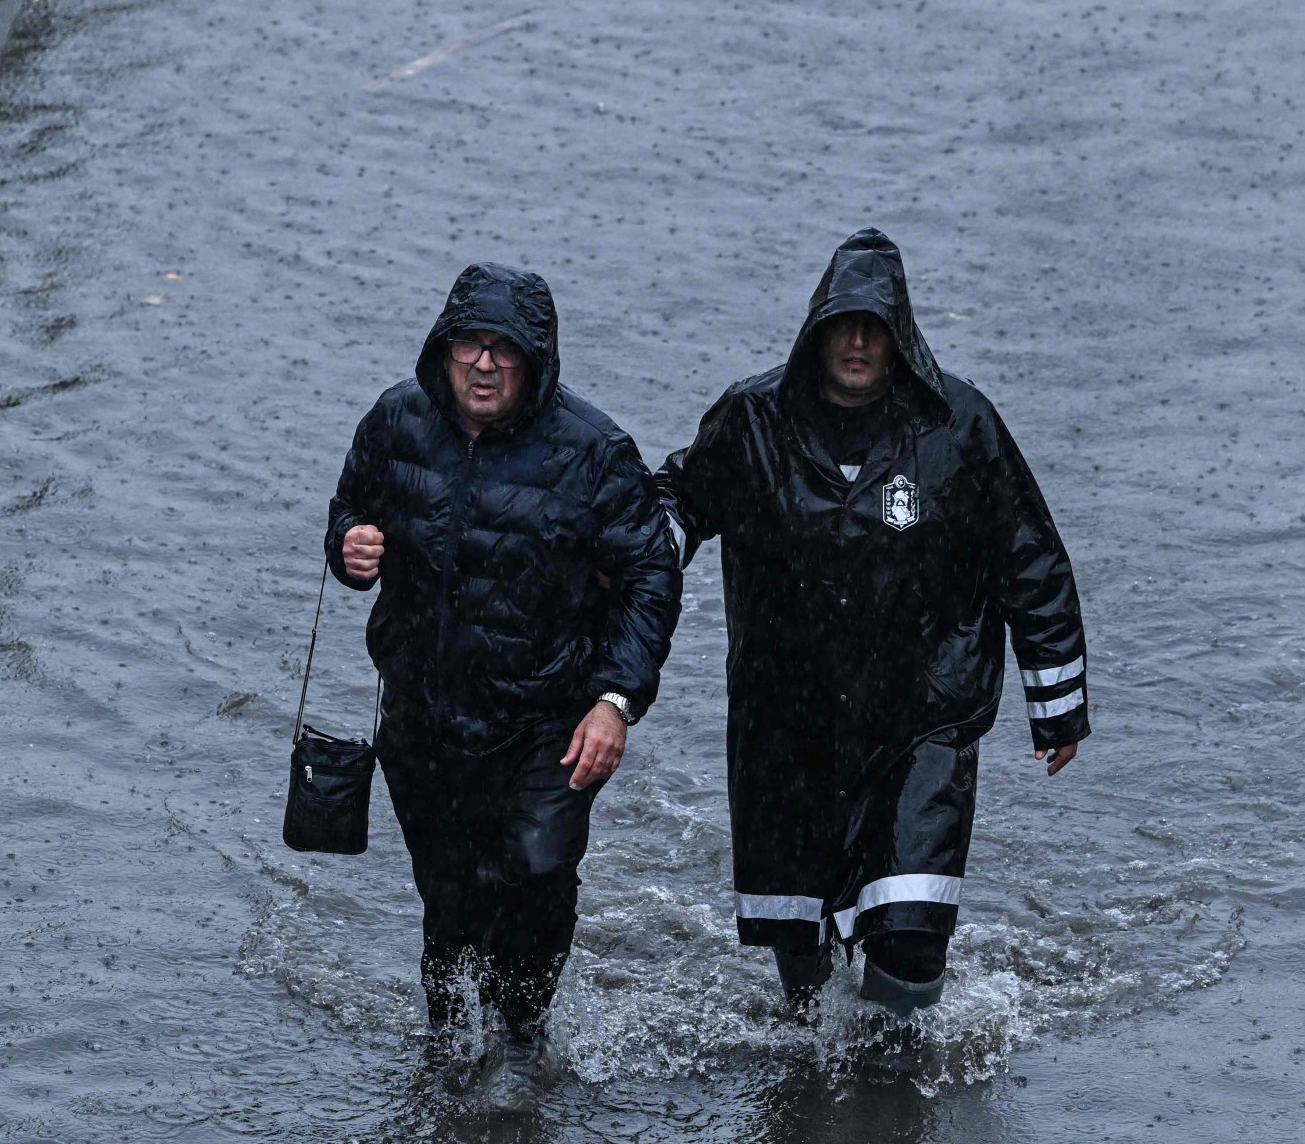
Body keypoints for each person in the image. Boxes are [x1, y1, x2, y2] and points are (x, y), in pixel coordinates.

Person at [657, 228, 1088, 1022]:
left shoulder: (959, 427)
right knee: (800, 951)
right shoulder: (753, 419)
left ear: (900, 335)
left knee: (912, 928)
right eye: (842, 324)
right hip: (787, 718)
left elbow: (1030, 557)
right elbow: (678, 500)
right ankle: (818, 1086)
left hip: (922, 715)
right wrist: (635, 562)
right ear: (817, 330)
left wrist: (1056, 703)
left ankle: (892, 1074)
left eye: (874, 326)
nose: (857, 341)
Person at [326, 263, 681, 1098]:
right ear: (444, 350)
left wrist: (614, 700)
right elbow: (348, 511)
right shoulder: (395, 421)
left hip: (547, 717)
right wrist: (349, 549)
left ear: (535, 361)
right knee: (448, 892)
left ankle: (522, 1038)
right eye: (469, 345)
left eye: (504, 350)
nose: (483, 365)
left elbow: (652, 577)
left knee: (534, 865)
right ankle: (447, 1033)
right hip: (423, 710)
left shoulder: (595, 454)